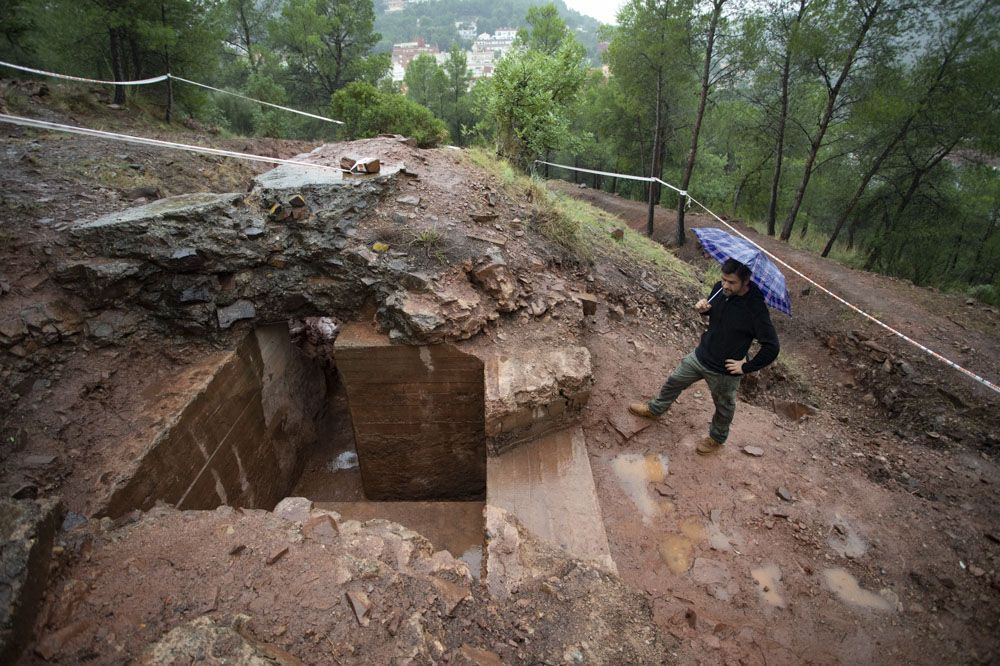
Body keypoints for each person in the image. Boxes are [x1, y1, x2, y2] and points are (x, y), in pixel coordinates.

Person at [629, 258, 780, 455]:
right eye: (723, 279)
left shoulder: (756, 309)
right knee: (674, 381)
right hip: (701, 355)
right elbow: (716, 314)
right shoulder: (720, 289)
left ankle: (716, 438)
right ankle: (655, 409)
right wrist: (704, 310)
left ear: (746, 281)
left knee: (724, 407)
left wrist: (746, 367)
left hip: (725, 370)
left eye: (731, 282)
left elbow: (772, 346)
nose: (725, 285)